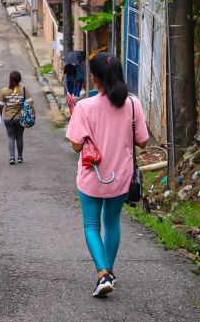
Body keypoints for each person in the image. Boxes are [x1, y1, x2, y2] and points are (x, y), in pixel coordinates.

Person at [65, 53, 148, 297]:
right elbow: (142, 141)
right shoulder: (133, 104)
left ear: (94, 79)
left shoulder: (84, 107)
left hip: (92, 177)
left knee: (91, 225)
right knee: (112, 223)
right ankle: (109, 271)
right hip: (121, 177)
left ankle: (102, 274)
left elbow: (77, 146)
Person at [0, 71, 32, 165]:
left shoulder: (4, 91)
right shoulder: (24, 90)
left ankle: (12, 158)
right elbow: (30, 103)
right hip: (21, 118)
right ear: (19, 79)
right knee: (20, 137)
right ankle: (20, 157)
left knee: (10, 137)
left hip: (8, 118)